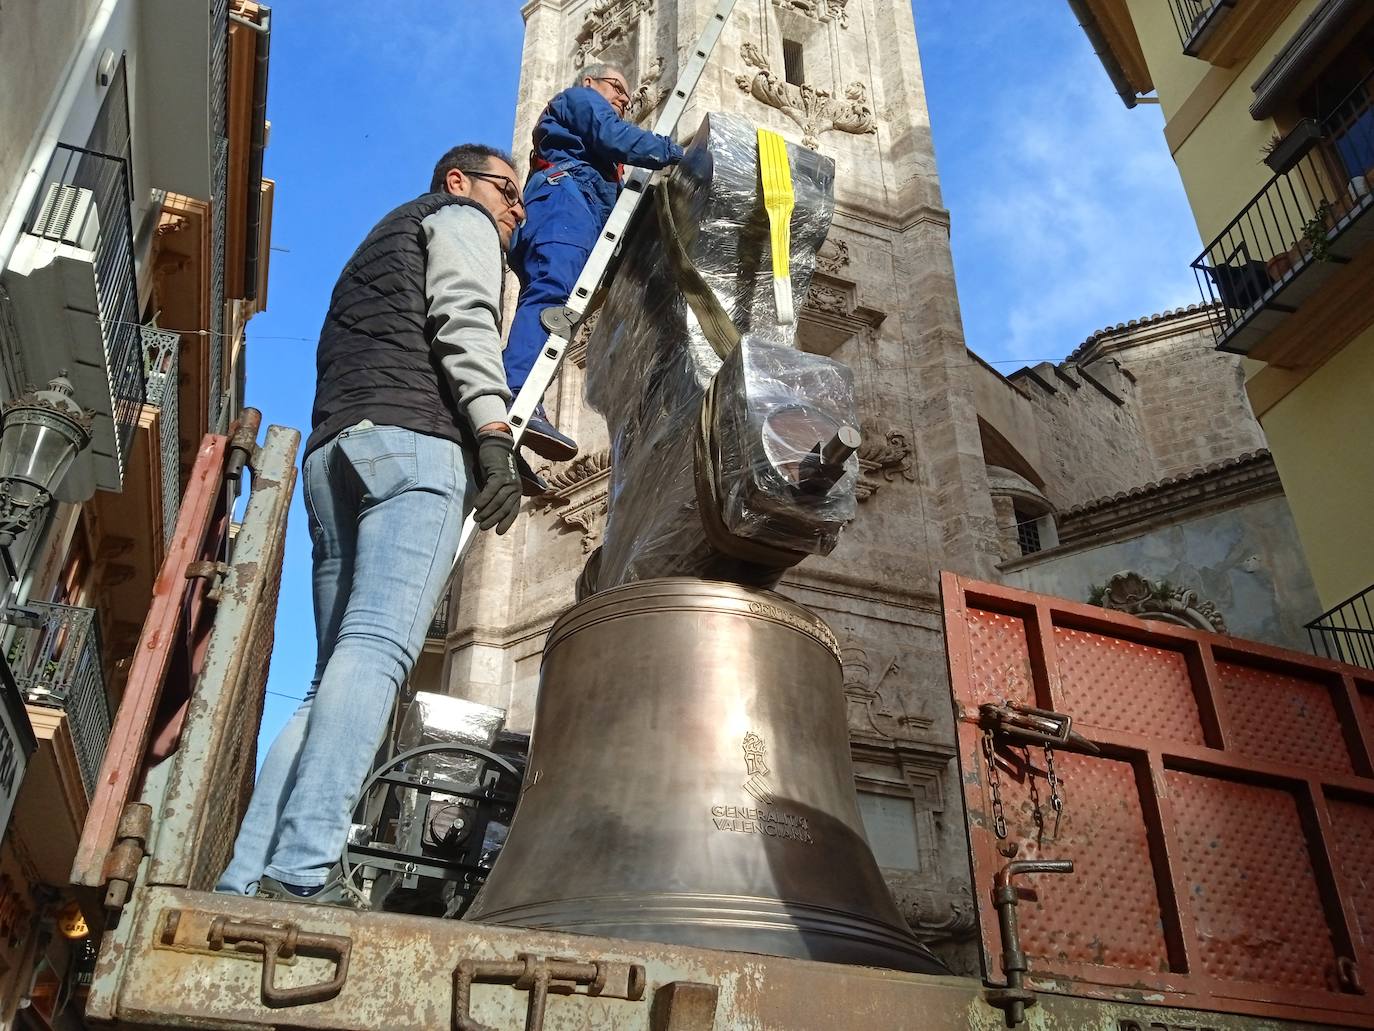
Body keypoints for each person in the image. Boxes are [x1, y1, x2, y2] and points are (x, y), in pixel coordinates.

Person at [217, 144, 528, 904]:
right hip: (414, 445)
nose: (516, 210)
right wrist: (493, 433)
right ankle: (301, 867)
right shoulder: (460, 219)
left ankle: (246, 872)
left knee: (331, 678)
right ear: (459, 181)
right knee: (379, 652)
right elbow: (464, 316)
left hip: (334, 456)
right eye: (507, 191)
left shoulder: (377, 243)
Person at [506, 62, 685, 460]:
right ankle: (515, 392)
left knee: (558, 313)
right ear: (590, 83)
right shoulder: (579, 100)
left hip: (575, 214)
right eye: (616, 87)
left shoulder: (600, 165)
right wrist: (676, 154)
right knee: (551, 297)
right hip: (563, 204)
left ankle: (514, 425)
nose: (624, 98)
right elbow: (613, 135)